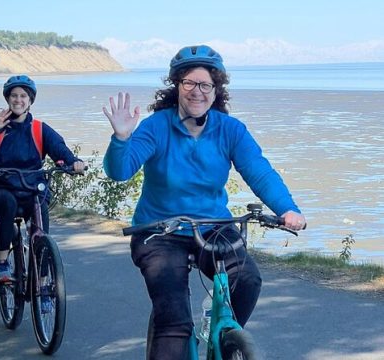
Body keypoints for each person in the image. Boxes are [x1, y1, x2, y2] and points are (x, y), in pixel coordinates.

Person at [102, 45, 306, 359]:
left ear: (216, 90)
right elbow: (121, 171)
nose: (198, 91)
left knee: (248, 279)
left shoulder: (230, 130)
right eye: (189, 83)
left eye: (205, 85)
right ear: (177, 86)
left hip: (214, 227)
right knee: (174, 322)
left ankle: (223, 333)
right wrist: (121, 139)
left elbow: (259, 171)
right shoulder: (156, 127)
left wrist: (287, 209)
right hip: (160, 232)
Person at [0, 74, 86, 282]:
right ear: (8, 99)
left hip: (33, 188)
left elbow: (60, 151)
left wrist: (74, 163)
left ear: (30, 100)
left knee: (41, 224)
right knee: (8, 204)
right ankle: (2, 265)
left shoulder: (40, 129)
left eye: (23, 96)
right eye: (14, 95)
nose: (18, 100)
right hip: (1, 188)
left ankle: (42, 283)